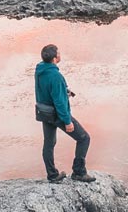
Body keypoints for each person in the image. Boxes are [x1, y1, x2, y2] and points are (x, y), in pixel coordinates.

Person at [34, 44, 93, 182]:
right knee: (84, 138)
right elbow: (59, 103)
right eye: (58, 53)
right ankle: (78, 172)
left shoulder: (39, 69)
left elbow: (47, 89)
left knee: (49, 143)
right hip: (56, 114)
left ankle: (52, 175)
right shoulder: (56, 76)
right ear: (55, 58)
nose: (60, 55)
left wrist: (64, 90)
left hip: (44, 112)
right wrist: (67, 122)